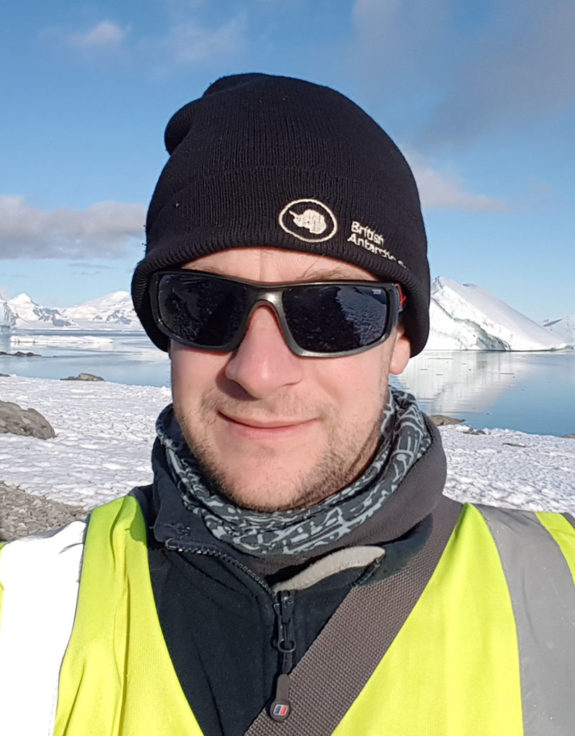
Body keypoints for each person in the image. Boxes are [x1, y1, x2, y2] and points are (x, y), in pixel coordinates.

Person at [1, 73, 574, 736]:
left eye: (333, 311)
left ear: (399, 338)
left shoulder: (555, 585)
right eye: (204, 305)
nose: (260, 371)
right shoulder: (34, 608)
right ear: (164, 328)